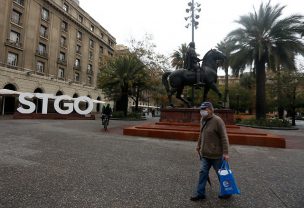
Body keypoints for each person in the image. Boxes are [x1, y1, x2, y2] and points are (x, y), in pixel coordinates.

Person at [190, 101, 230, 201]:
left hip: (216, 155)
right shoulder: (202, 119)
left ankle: (227, 191)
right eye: (201, 109)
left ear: (211, 110)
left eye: (204, 109)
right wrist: (198, 145)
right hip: (205, 153)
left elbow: (224, 137)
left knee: (221, 174)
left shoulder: (218, 121)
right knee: (203, 172)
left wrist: (225, 152)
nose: (202, 111)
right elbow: (201, 133)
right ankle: (200, 193)